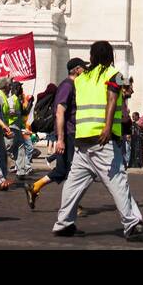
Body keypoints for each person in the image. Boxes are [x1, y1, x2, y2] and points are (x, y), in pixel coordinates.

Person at [51, 40, 143, 240]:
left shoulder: (81, 78)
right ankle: (132, 224)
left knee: (73, 184)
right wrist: (108, 127)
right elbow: (113, 97)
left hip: (82, 138)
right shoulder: (113, 74)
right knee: (118, 181)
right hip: (102, 139)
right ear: (111, 57)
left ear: (91, 57)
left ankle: (63, 223)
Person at [26, 57, 85, 210]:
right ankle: (72, 205)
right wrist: (60, 139)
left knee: (62, 170)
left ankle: (34, 187)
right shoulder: (67, 86)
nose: (85, 70)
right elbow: (60, 112)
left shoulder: (72, 85)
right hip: (68, 134)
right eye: (83, 68)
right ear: (77, 69)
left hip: (70, 134)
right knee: (73, 170)